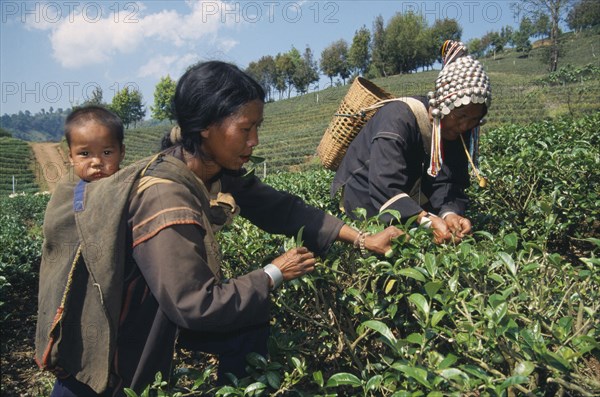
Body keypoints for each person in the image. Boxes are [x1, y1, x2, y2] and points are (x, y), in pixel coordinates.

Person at [35, 60, 405, 397]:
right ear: (205, 129)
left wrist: (361, 238)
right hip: (108, 357)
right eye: (245, 128)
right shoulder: (166, 198)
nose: (254, 140)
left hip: (141, 329)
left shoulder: (210, 169)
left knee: (246, 327)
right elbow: (195, 304)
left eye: (256, 127)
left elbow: (280, 208)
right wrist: (273, 273)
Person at [330, 40, 492, 244]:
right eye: (461, 116)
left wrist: (450, 214)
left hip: (409, 199)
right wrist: (425, 221)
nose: (464, 126)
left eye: (474, 120)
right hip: (365, 198)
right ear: (442, 105)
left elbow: (449, 181)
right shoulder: (397, 119)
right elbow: (385, 186)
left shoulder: (458, 130)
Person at [65, 105, 126, 181]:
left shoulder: (133, 186)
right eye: (85, 154)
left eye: (106, 153)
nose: (97, 162)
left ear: (122, 152)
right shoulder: (68, 189)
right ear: (71, 157)